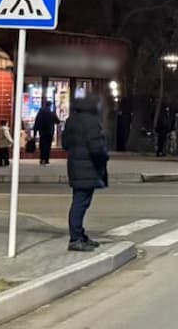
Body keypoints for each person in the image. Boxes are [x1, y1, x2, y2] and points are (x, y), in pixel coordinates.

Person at [62, 96, 108, 251]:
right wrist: (104, 158)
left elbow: (65, 144)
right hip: (88, 167)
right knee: (80, 203)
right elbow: (97, 148)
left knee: (80, 201)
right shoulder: (92, 122)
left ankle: (79, 235)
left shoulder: (71, 120)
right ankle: (75, 239)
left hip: (75, 166)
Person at [33, 101, 59, 165]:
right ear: (50, 106)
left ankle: (42, 159)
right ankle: (46, 160)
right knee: (48, 146)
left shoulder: (40, 113)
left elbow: (36, 123)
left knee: (42, 146)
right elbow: (57, 121)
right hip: (50, 132)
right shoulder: (51, 113)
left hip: (42, 132)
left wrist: (35, 132)